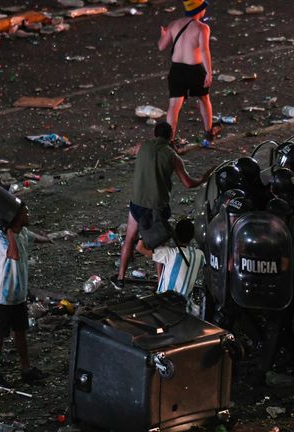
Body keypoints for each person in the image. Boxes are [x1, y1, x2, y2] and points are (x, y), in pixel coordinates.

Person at [111, 122, 204, 289]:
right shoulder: (173, 156)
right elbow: (188, 183)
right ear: (171, 136)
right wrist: (203, 179)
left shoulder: (142, 146)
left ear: (155, 134)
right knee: (158, 244)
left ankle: (120, 278)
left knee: (129, 239)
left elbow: (134, 152)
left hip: (137, 202)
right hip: (157, 206)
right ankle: (161, 282)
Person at [0, 204, 52, 387]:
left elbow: (34, 238)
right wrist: (8, 231)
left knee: (20, 332)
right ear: (14, 218)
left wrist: (47, 239)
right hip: (2, 296)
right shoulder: (0, 237)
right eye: (24, 213)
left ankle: (26, 370)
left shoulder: (23, 233)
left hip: (18, 295)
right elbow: (13, 255)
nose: (27, 215)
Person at [158, 0, 221, 146]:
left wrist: (163, 34)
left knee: (174, 106)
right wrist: (209, 73)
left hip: (177, 69)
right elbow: (205, 51)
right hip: (195, 69)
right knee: (204, 99)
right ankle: (208, 133)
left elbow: (161, 46)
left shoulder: (174, 24)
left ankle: (170, 141)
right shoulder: (202, 28)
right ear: (200, 10)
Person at [136, 219, 205, 313]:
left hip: (164, 305)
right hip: (185, 308)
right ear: (193, 236)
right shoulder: (200, 255)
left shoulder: (170, 254)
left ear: (175, 235)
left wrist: (144, 234)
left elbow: (139, 248)